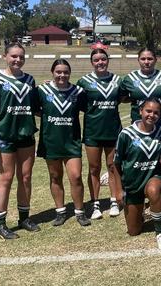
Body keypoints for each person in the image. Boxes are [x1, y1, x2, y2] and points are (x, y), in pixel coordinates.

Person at [0, 42, 40, 239]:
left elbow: (35, 107)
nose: (18, 60)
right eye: (14, 56)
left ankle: (24, 218)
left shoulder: (30, 80)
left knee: (25, 177)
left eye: (21, 57)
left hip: (26, 135)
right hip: (4, 135)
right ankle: (0, 223)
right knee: (5, 177)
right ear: (5, 56)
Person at [36, 59, 90, 227]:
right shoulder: (42, 90)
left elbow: (87, 108)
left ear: (69, 73)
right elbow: (35, 109)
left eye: (65, 72)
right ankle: (60, 212)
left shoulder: (78, 91)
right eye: (58, 72)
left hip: (71, 141)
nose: (62, 75)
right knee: (55, 176)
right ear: (53, 72)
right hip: (50, 140)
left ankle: (80, 212)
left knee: (75, 176)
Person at [111, 99, 161, 251]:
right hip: (133, 183)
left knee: (153, 190)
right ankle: (140, 213)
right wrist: (118, 190)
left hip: (153, 178)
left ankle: (160, 231)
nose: (152, 115)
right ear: (140, 111)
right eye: (148, 111)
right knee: (133, 231)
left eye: (156, 112)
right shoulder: (126, 134)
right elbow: (116, 164)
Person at [77, 48, 122, 220]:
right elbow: (81, 105)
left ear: (107, 60)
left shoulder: (118, 80)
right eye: (96, 60)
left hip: (113, 130)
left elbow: (122, 98)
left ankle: (113, 201)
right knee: (94, 168)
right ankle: (95, 204)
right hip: (92, 131)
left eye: (103, 59)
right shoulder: (84, 82)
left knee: (112, 166)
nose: (100, 62)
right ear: (92, 62)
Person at [119, 47, 161, 125]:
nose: (146, 62)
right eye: (143, 59)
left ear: (155, 60)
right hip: (138, 126)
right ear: (138, 60)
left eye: (150, 59)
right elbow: (122, 98)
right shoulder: (129, 79)